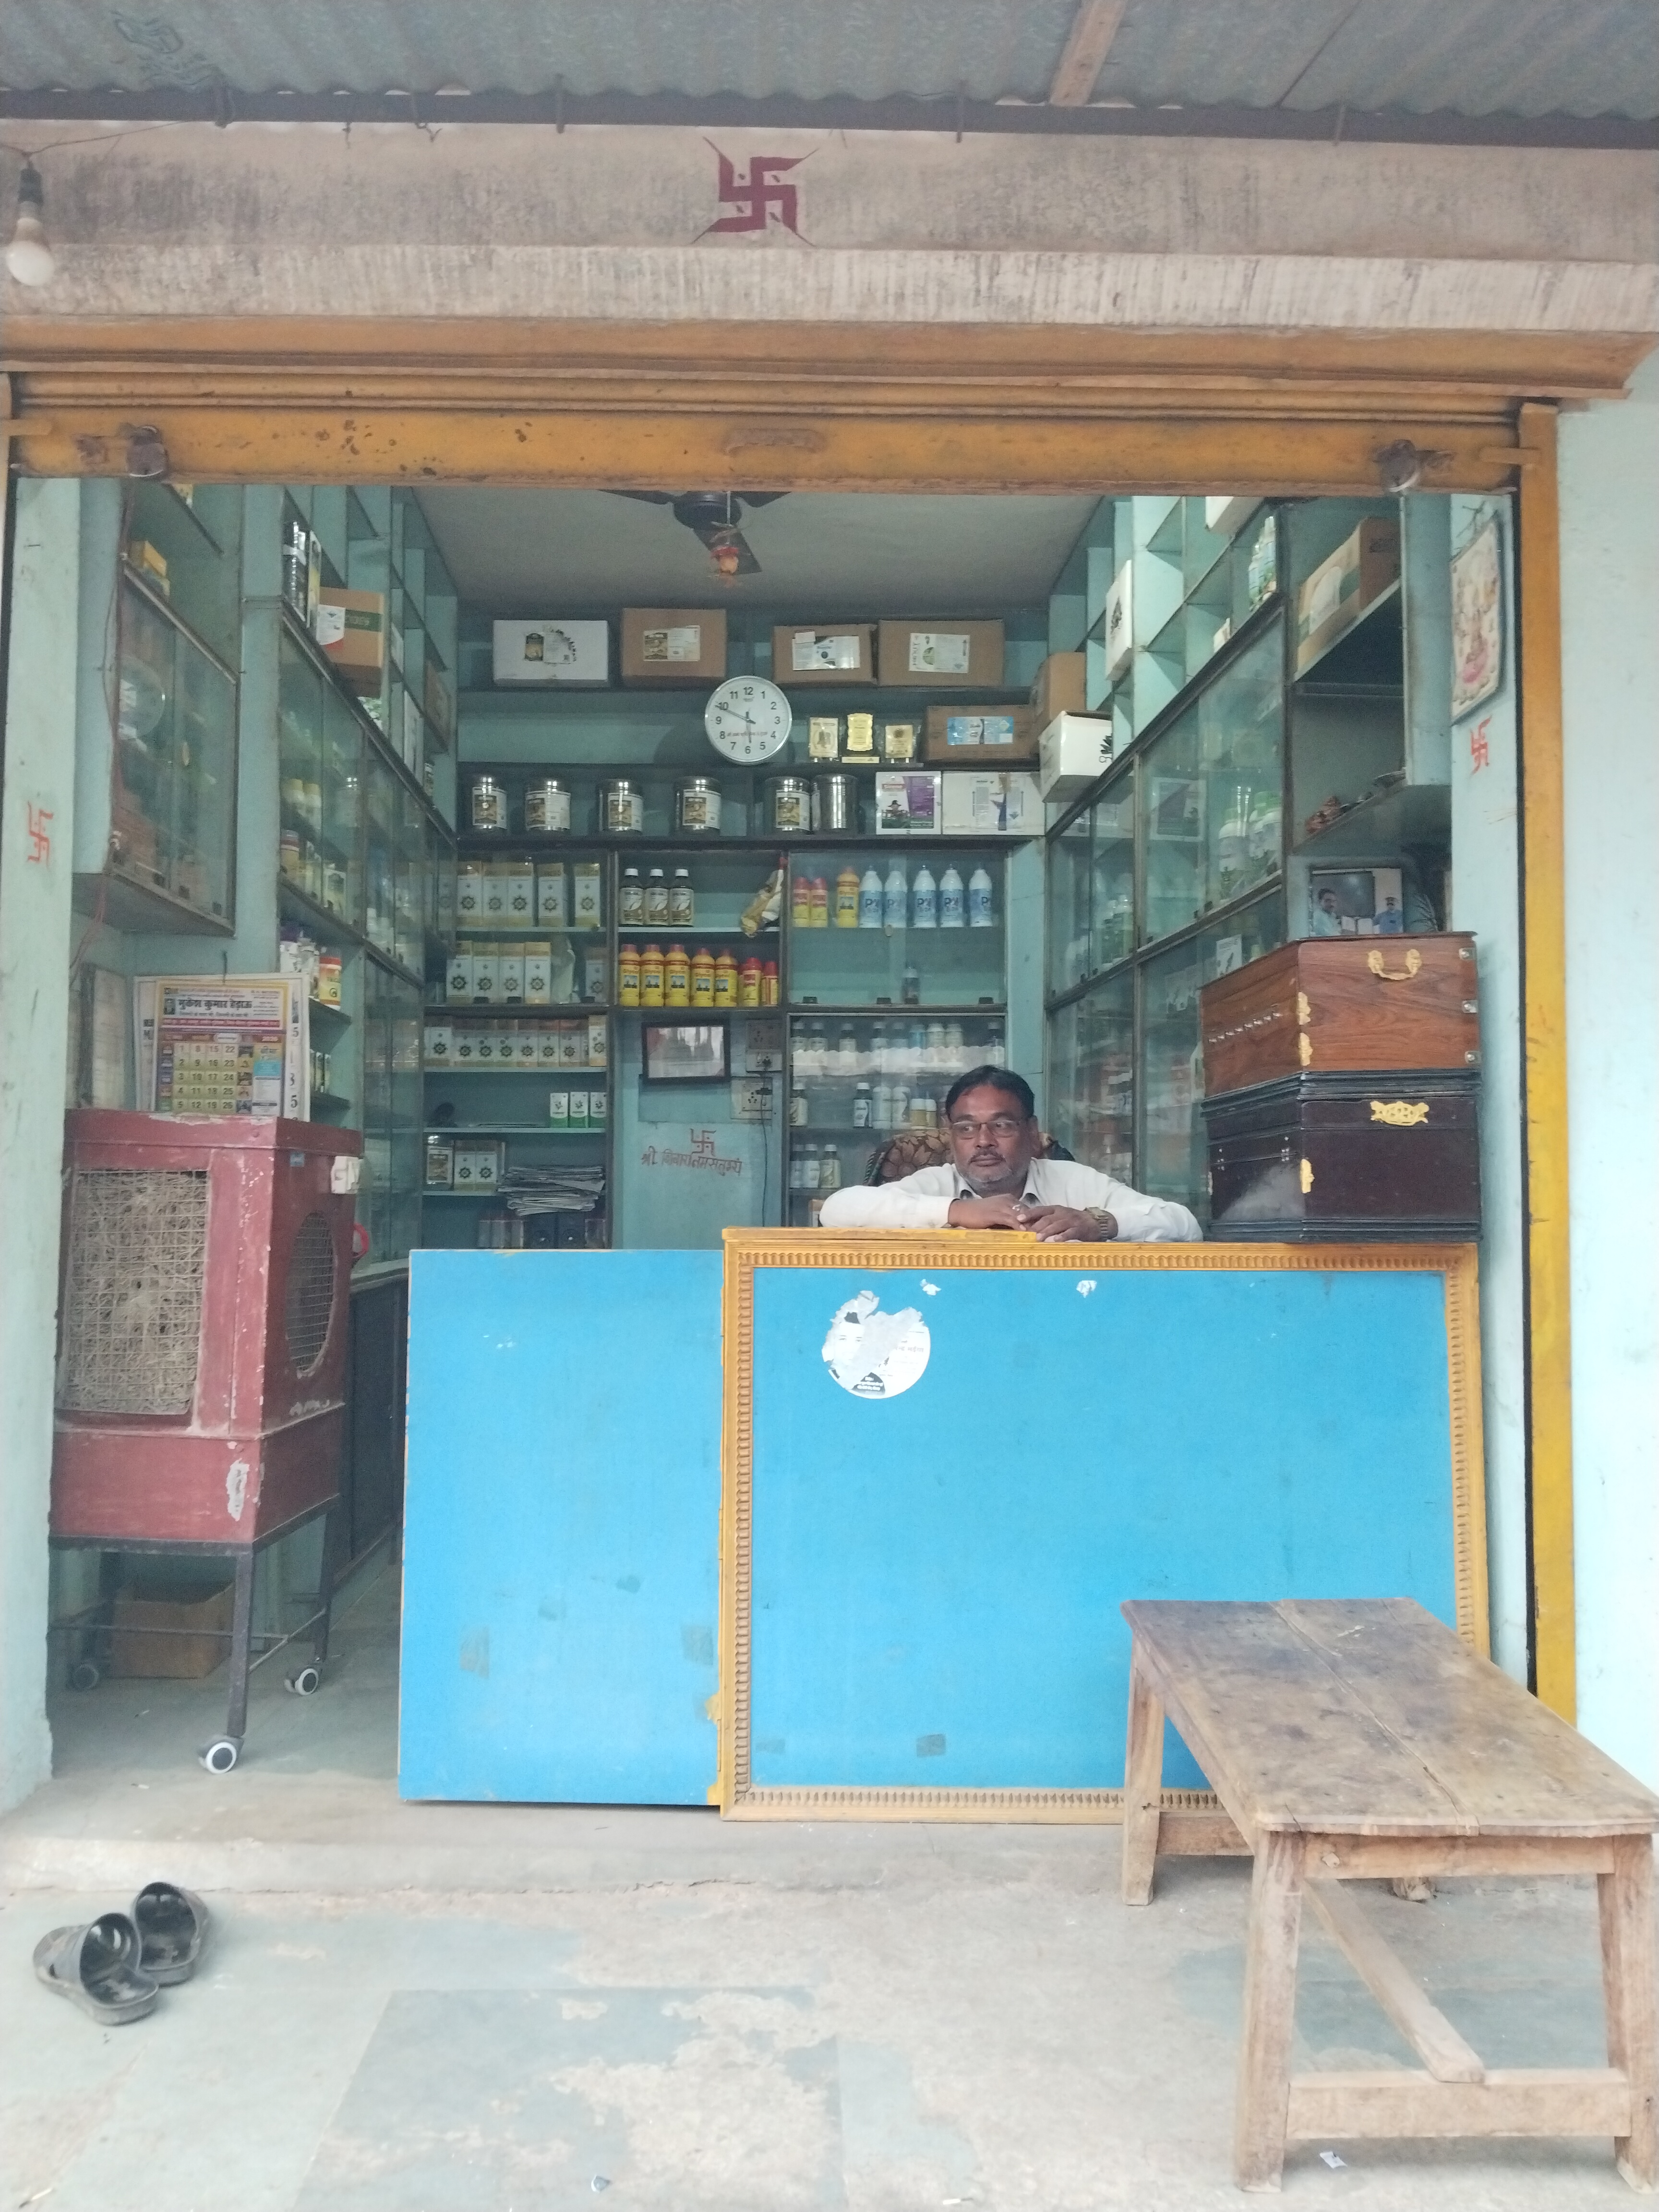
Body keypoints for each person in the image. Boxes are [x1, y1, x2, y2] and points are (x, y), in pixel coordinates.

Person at [817, 1067, 1201, 1242]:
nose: (983, 1141)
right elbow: (836, 1210)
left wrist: (1097, 1224)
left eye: (1001, 1125)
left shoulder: (1072, 1181)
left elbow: (1185, 1225)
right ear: (952, 1136)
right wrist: (958, 1212)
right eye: (967, 1128)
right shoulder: (935, 1184)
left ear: (1032, 1133)